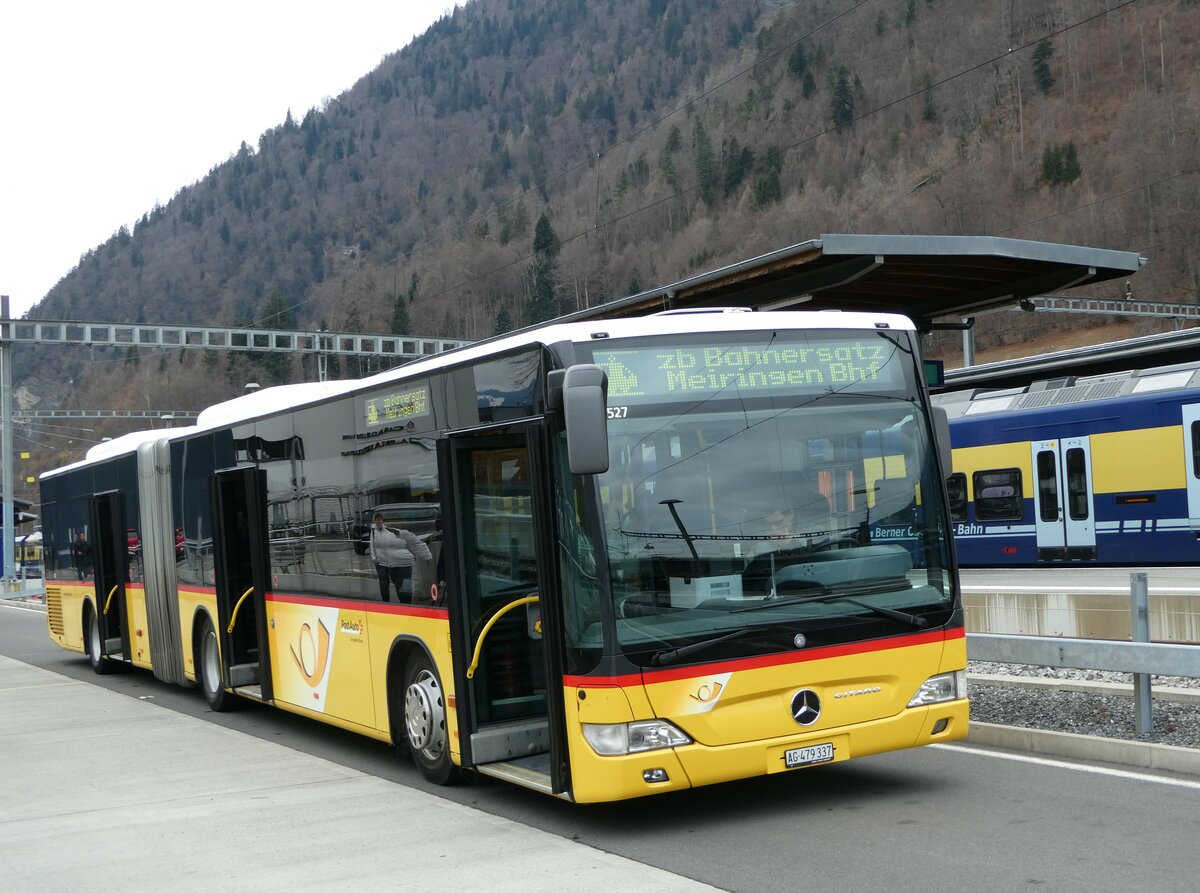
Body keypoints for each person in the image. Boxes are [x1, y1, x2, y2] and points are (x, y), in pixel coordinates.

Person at [368, 512, 432, 603]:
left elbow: (417, 543)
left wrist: (427, 556)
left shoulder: (404, 533)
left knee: (405, 591)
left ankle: (406, 605)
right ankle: (394, 603)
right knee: (397, 588)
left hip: (404, 565)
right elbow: (373, 545)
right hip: (388, 564)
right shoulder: (377, 530)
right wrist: (374, 558)